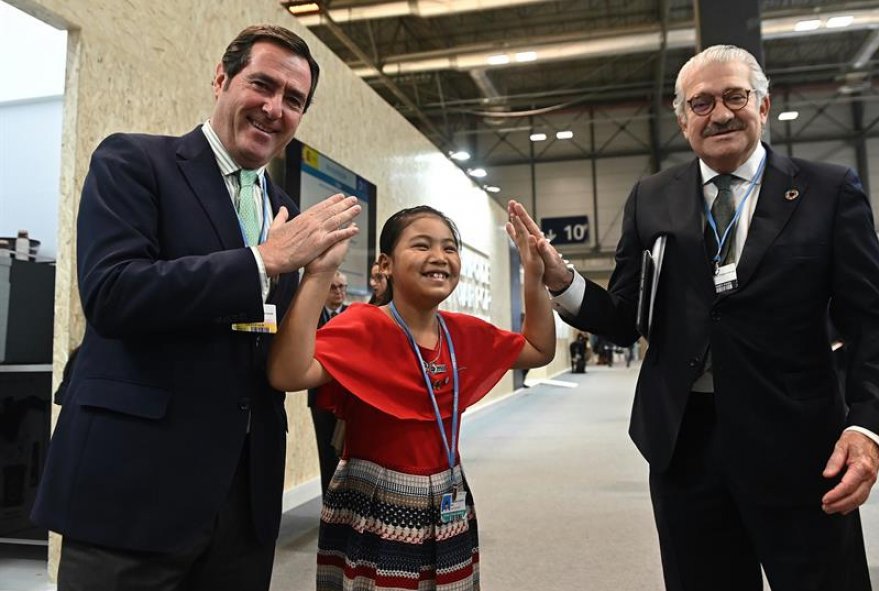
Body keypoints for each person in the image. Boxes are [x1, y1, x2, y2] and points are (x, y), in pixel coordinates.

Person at [508, 44, 879, 591]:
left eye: (734, 96)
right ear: (682, 119)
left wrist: (869, 429)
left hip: (798, 445)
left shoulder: (828, 191)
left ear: (763, 107)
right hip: (684, 445)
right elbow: (628, 317)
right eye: (701, 103)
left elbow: (877, 324)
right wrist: (561, 279)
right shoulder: (651, 197)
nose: (719, 114)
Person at [32, 25, 362, 591]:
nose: (274, 108)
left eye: (294, 100)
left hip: (243, 501)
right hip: (133, 491)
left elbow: (274, 352)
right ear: (221, 78)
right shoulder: (134, 161)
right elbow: (113, 293)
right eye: (262, 84)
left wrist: (318, 275)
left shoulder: (285, 212)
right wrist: (262, 261)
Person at [267, 205, 555, 591]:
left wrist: (533, 278)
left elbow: (538, 349)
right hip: (375, 500)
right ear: (385, 264)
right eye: (422, 245)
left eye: (450, 248)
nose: (439, 257)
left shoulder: (463, 333)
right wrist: (317, 275)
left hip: (449, 495)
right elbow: (287, 373)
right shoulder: (361, 325)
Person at [307, 270, 350, 494]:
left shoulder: (352, 317)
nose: (339, 292)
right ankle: (328, 503)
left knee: (346, 454)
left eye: (343, 287)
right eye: (334, 287)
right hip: (319, 397)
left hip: (346, 398)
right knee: (326, 453)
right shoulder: (311, 317)